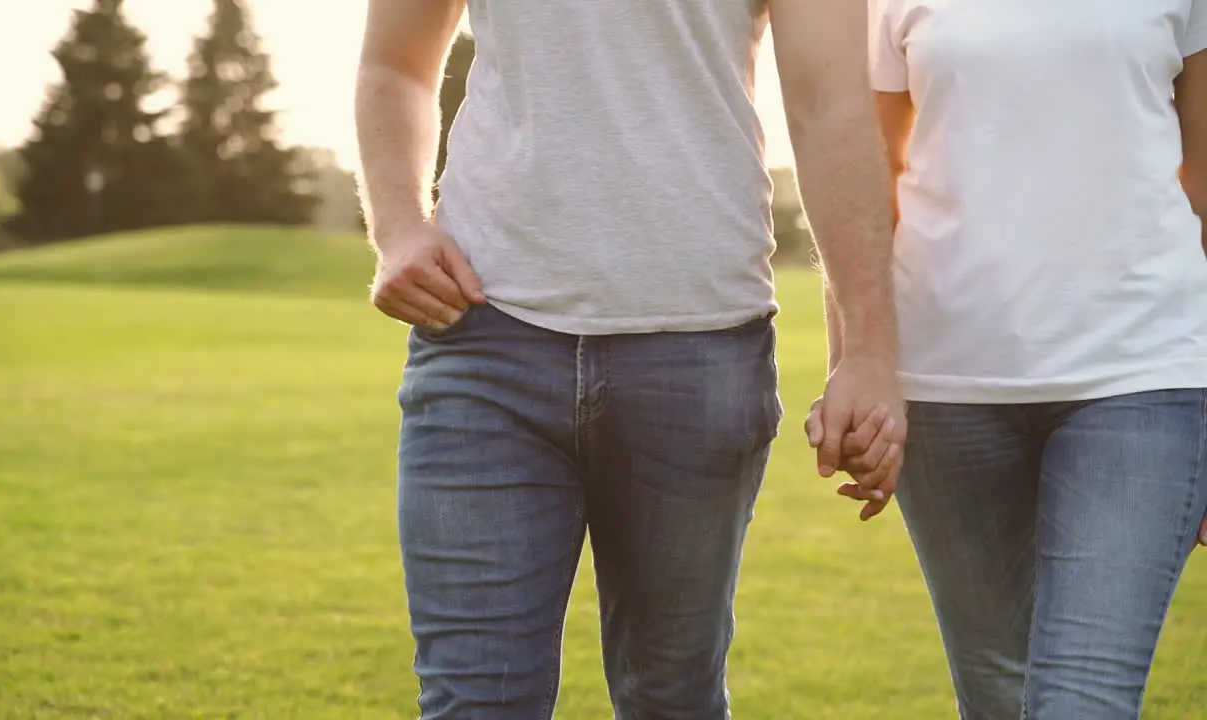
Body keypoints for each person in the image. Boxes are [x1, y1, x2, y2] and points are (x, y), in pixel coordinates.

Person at [355, 0, 906, 716]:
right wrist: (399, 227)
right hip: (484, 339)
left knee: (670, 698)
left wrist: (865, 352)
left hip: (701, 351)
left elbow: (832, 110)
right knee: (473, 700)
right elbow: (393, 65)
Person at [808, 1, 1207, 718]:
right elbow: (863, 180)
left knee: (1082, 700)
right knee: (996, 690)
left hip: (1144, 374)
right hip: (946, 386)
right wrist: (855, 367)